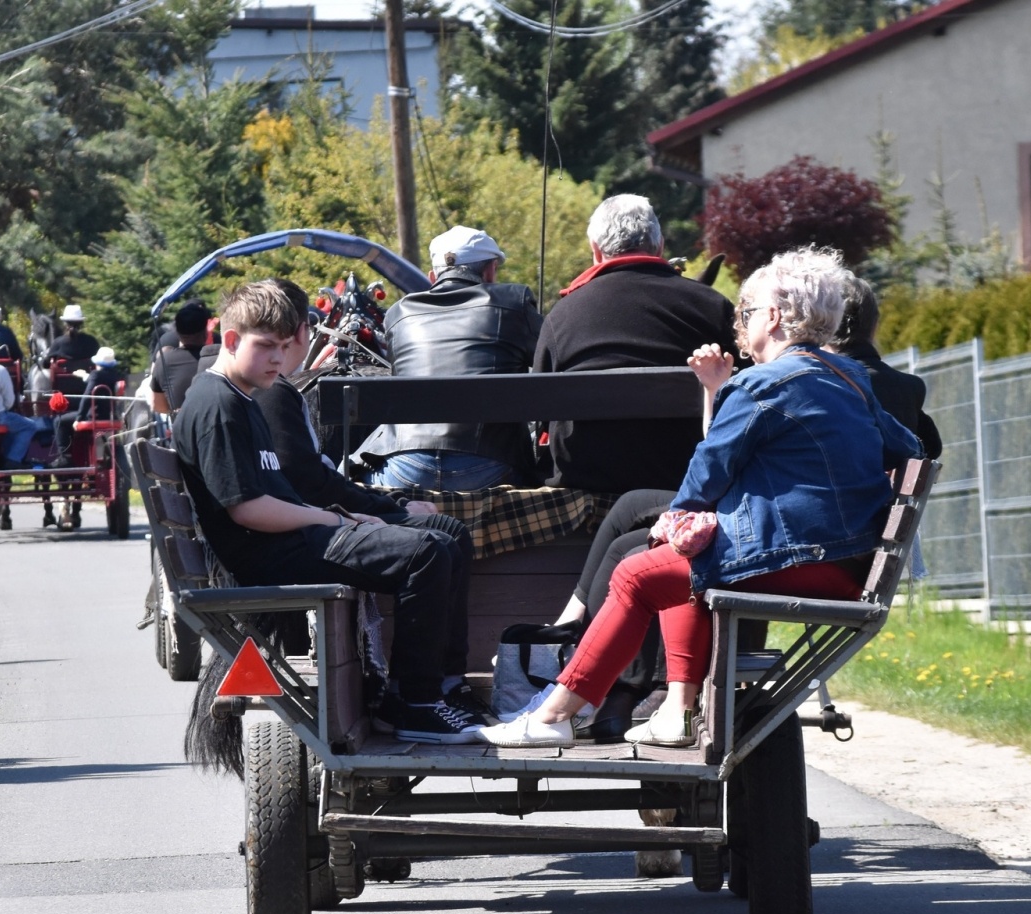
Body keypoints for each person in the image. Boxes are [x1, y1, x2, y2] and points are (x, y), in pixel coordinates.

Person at [483, 247, 922, 748]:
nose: (742, 324)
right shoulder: (850, 378)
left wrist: (676, 516)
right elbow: (909, 449)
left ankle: (553, 717)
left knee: (636, 574)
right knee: (683, 555)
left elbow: (708, 468)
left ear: (774, 317)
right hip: (846, 560)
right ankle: (675, 711)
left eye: (747, 312)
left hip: (802, 559)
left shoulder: (763, 384)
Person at [173, 280, 481, 743]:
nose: (278, 358)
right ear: (232, 340)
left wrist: (351, 517)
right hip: (269, 555)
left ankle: (437, 689)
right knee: (425, 553)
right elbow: (248, 510)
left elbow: (277, 495)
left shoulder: (243, 397)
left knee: (441, 537)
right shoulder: (218, 405)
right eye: (266, 347)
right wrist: (337, 520)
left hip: (289, 541)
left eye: (283, 346)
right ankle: (412, 703)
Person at [255, 279, 491, 722]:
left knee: (451, 532)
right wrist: (390, 511)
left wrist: (388, 506)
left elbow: (316, 478)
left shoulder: (279, 391)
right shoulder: (275, 394)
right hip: (307, 531)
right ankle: (413, 697)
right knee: (429, 549)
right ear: (304, 334)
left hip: (313, 521)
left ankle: (446, 682)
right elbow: (311, 481)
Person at [535, 195, 736, 494]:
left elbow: (540, 409)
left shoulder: (562, 315)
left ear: (596, 250)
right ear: (660, 246)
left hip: (589, 482)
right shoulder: (713, 306)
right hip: (687, 478)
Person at [357, 226, 544, 491]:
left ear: (433, 276)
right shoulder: (513, 302)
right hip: (489, 468)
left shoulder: (399, 314)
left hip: (405, 471)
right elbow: (548, 360)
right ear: (490, 270)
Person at [835, 276, 943, 460]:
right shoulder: (909, 387)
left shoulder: (820, 385)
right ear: (875, 325)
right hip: (892, 489)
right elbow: (932, 448)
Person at [51, 347, 124, 466]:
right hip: (111, 417)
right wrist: (84, 376)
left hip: (95, 416)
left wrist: (78, 418)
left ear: (97, 363)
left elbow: (87, 398)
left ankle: (65, 457)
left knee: (59, 421)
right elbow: (98, 379)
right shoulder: (115, 375)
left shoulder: (96, 375)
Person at [149, 299, 212, 415]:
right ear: (206, 332)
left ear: (177, 332)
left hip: (182, 429)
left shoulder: (164, 361)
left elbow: (157, 405)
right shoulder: (219, 357)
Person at [46, 304, 100, 374]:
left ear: (65, 324)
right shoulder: (92, 341)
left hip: (62, 383)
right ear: (81, 323)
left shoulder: (58, 342)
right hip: (87, 382)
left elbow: (46, 364)